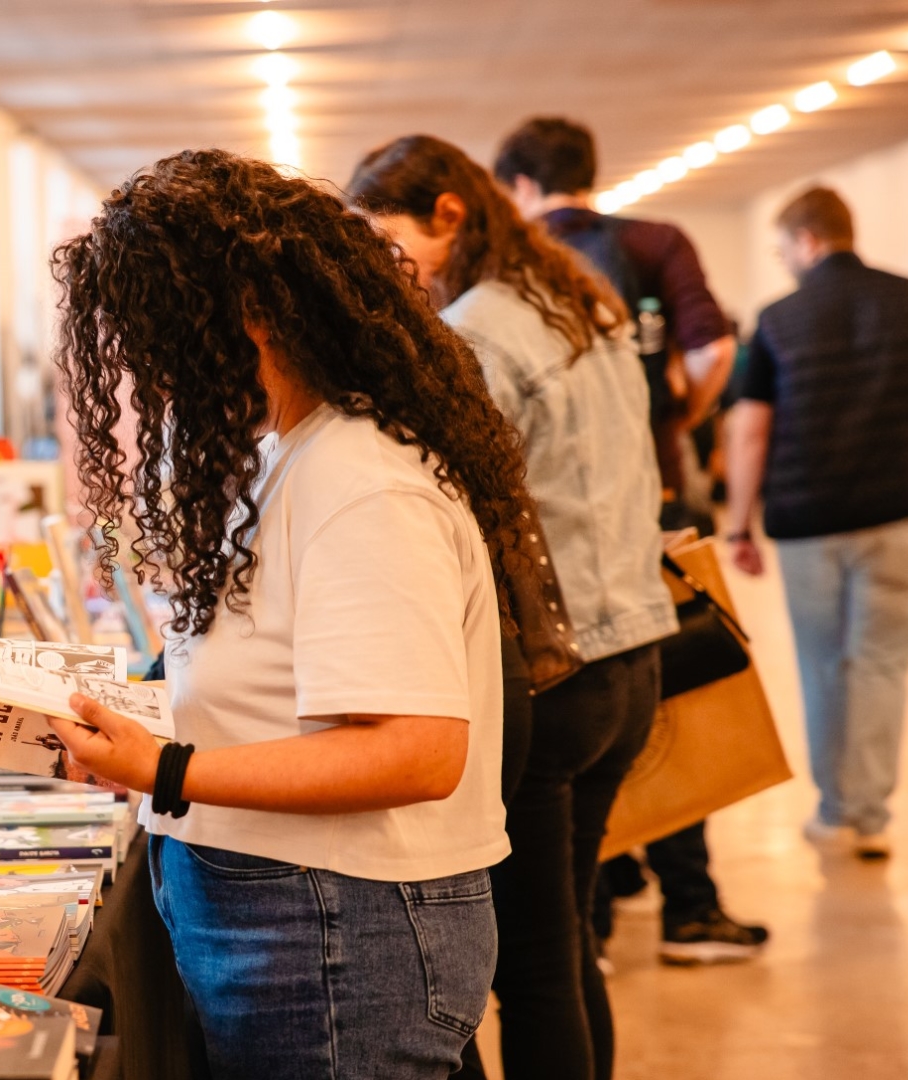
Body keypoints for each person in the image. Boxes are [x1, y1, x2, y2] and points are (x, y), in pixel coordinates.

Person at [46, 148, 526, 1078]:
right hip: (286, 920)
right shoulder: (288, 452)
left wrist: (166, 766)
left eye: (164, 341)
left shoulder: (362, 482)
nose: (155, 375)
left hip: (339, 936)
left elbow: (418, 750)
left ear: (252, 317)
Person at [349, 134, 678, 1080]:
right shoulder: (581, 298)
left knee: (533, 962)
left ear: (449, 214)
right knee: (567, 935)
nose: (386, 268)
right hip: (633, 656)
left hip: (555, 670)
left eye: (389, 240)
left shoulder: (481, 329)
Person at [494, 113, 767, 967]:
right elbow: (714, 343)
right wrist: (677, 416)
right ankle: (690, 905)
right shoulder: (655, 240)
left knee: (574, 713)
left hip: (550, 530)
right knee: (666, 696)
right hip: (652, 498)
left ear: (522, 188)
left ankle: (596, 918)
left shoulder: (510, 271)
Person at [727, 187, 908, 859]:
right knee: (882, 664)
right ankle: (873, 814)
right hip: (906, 510)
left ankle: (834, 809)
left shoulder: (775, 318)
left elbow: (750, 433)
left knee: (823, 664)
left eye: (782, 249)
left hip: (811, 521)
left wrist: (739, 525)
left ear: (807, 241)